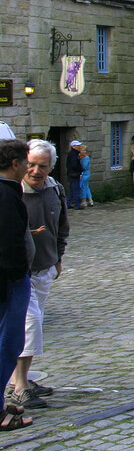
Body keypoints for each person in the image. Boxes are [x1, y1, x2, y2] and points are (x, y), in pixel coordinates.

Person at [6, 141, 67, 412]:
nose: (35, 171)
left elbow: (61, 226)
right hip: (21, 272)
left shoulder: (55, 189)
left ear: (51, 167)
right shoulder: (13, 191)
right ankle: (19, 387)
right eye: (30, 164)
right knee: (29, 326)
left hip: (45, 267)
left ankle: (21, 379)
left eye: (42, 166)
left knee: (35, 322)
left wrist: (58, 257)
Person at [0, 139, 33, 431]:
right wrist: (18, 274)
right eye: (26, 162)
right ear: (15, 164)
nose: (28, 168)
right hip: (8, 282)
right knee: (8, 344)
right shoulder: (6, 195)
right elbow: (9, 245)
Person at [64, 141, 83, 211]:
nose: (79, 147)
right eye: (77, 145)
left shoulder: (74, 153)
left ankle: (68, 204)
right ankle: (77, 205)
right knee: (76, 190)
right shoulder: (73, 154)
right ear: (73, 146)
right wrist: (80, 169)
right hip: (74, 174)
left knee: (72, 190)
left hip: (72, 174)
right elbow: (74, 165)